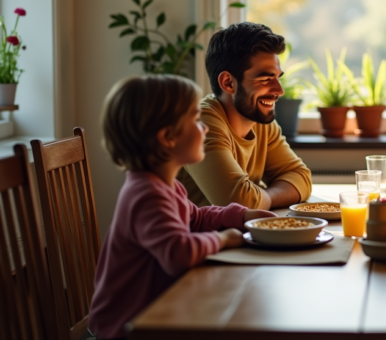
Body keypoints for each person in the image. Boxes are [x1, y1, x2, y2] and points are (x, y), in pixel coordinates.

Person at [88, 75, 275, 340]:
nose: (205, 129)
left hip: (156, 314)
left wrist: (241, 214)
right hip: (128, 327)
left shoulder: (164, 186)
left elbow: (195, 218)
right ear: (168, 137)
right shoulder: (147, 195)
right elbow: (178, 253)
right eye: (195, 120)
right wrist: (223, 239)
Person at [179, 22, 312, 210]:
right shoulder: (200, 125)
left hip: (235, 236)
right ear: (228, 82)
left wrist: (261, 197)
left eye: (277, 78)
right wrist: (258, 197)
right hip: (190, 238)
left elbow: (301, 177)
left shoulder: (260, 121)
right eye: (265, 79)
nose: (279, 91)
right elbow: (240, 203)